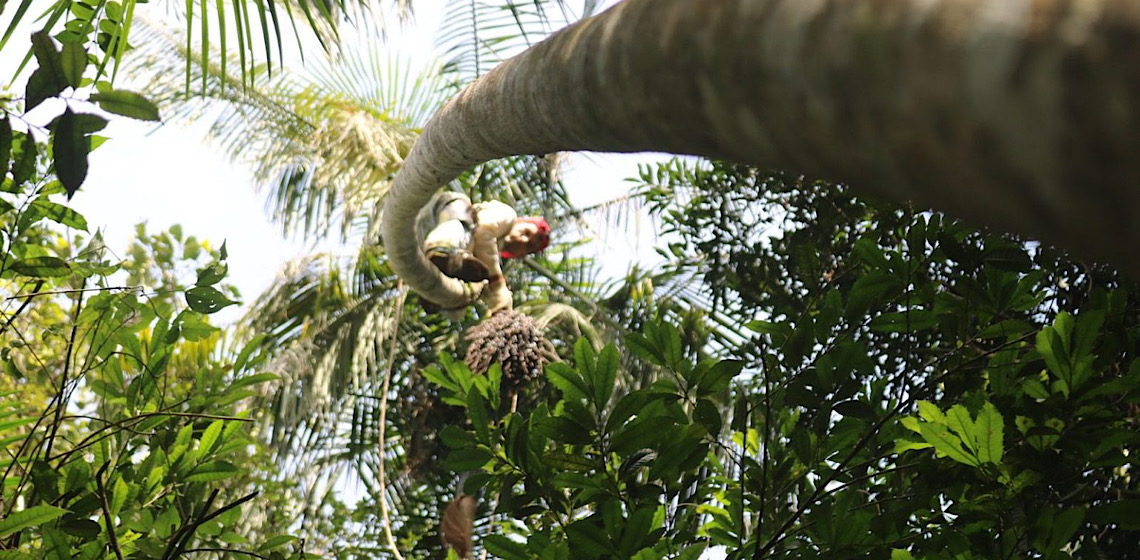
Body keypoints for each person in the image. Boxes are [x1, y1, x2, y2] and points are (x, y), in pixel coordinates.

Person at [414, 191, 550, 317]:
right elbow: (483, 231)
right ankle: (441, 251)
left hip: (422, 237)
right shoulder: (508, 216)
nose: (523, 239)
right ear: (521, 222)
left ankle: (436, 291)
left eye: (529, 245)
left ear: (521, 255)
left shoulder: (487, 258)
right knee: (467, 225)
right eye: (526, 232)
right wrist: (498, 283)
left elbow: (486, 286)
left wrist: (500, 307)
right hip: (446, 211)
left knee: (463, 301)